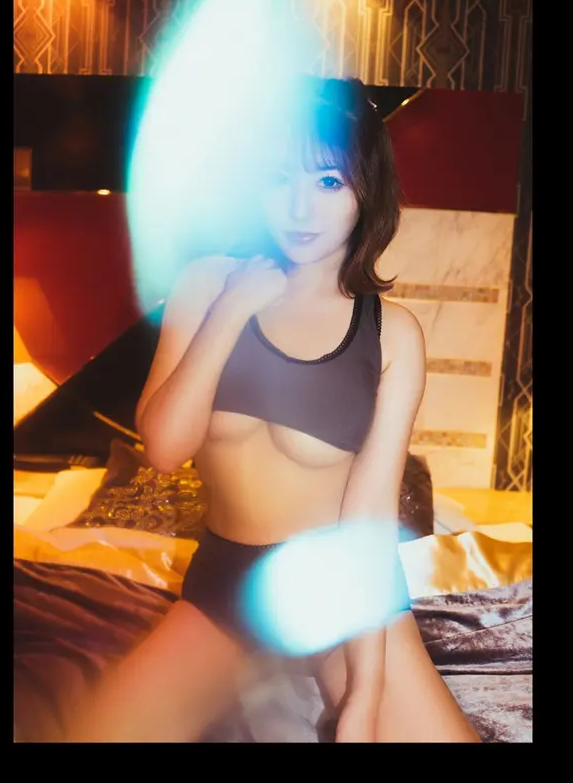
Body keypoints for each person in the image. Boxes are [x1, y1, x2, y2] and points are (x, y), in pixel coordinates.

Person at [71, 76, 481, 743]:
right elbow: (165, 449)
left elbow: (370, 519)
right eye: (278, 178)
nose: (299, 206)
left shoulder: (393, 334)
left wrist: (364, 696)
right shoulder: (205, 284)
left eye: (328, 181)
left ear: (366, 191)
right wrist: (231, 310)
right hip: (226, 585)